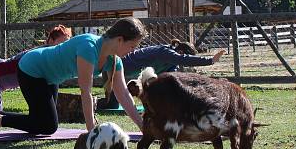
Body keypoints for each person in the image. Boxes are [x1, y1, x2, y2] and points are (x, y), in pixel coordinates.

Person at [0, 17, 147, 136]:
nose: (133, 51)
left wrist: (143, 127)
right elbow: (85, 93)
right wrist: (92, 132)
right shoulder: (89, 47)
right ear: (119, 40)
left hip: (50, 77)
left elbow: (123, 94)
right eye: (132, 46)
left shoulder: (115, 61)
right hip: (32, 69)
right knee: (48, 126)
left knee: (41, 123)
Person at [96, 39, 226, 110]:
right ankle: (94, 103)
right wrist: (210, 60)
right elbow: (184, 59)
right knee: (111, 105)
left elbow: (173, 80)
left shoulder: (172, 64)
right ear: (180, 52)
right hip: (116, 65)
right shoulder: (166, 52)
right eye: (184, 56)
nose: (184, 63)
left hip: (126, 72)